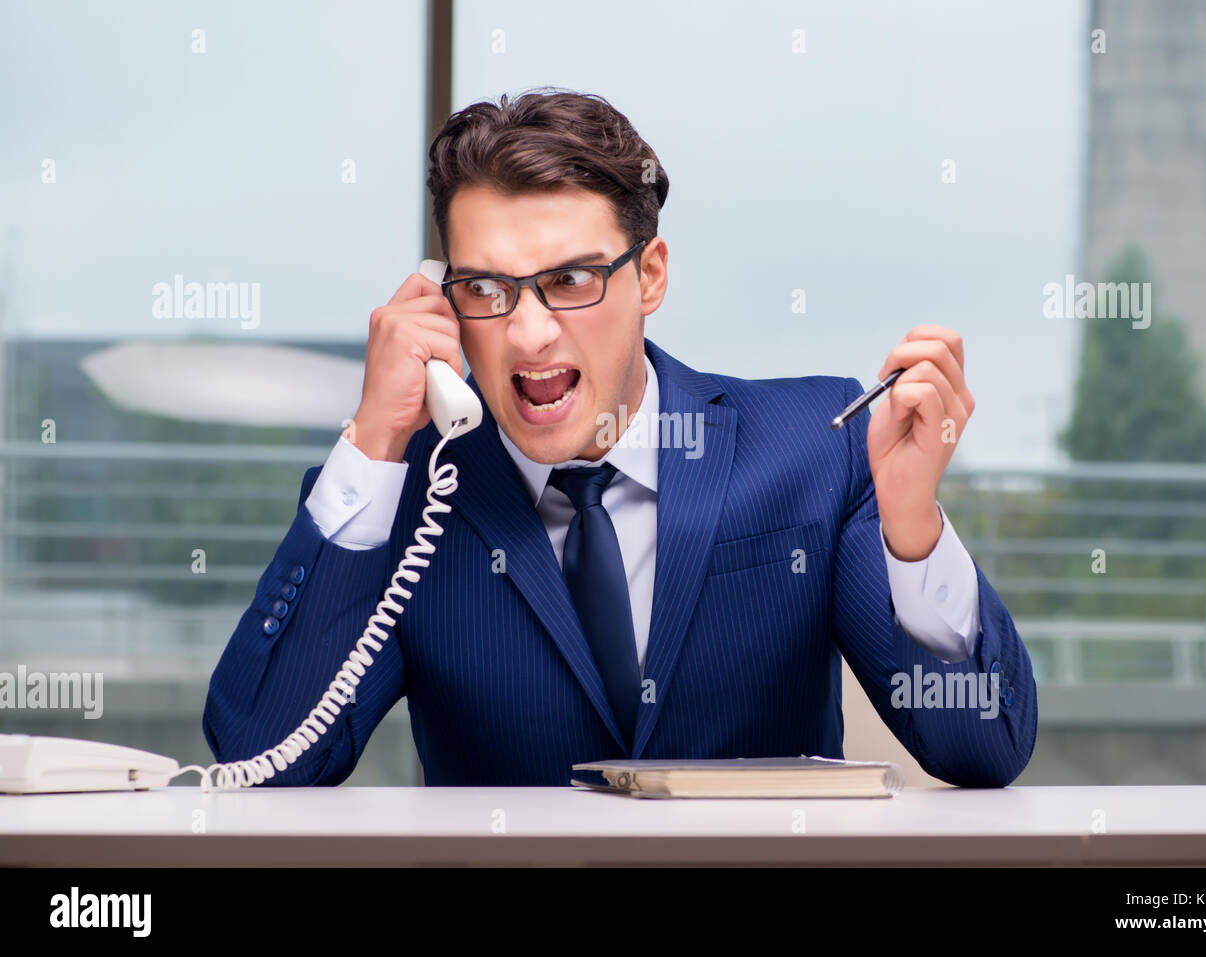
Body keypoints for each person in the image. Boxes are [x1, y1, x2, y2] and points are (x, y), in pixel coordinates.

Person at [203, 89, 1036, 788]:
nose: (528, 334)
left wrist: (913, 532)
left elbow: (984, 746)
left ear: (651, 276)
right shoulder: (411, 497)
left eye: (570, 280)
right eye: (486, 288)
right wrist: (373, 440)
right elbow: (258, 759)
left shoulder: (815, 451)